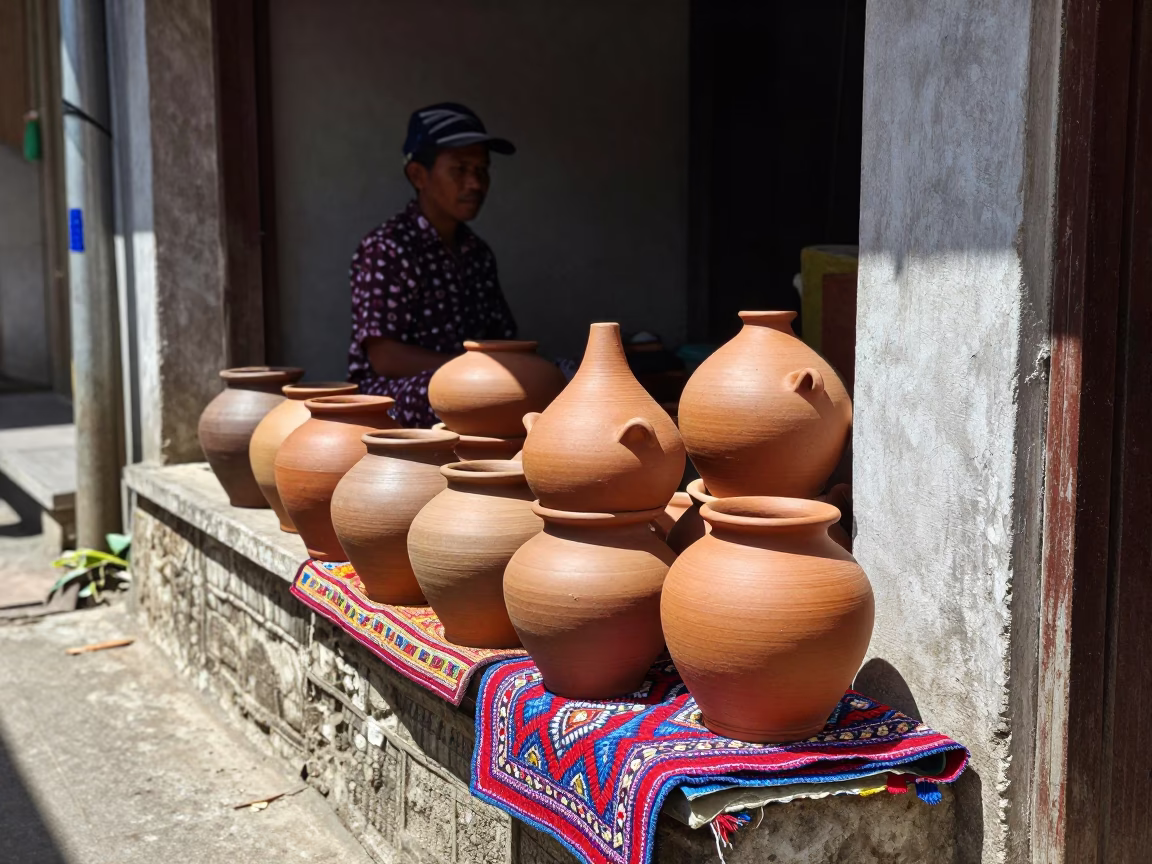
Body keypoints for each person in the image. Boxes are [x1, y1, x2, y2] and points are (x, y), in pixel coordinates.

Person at [348, 103, 518, 427]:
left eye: (482, 170)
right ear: (418, 175)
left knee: (555, 377)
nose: (475, 183)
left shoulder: (477, 253)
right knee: (452, 396)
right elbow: (385, 358)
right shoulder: (387, 248)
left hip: (474, 385)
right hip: (393, 398)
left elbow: (502, 340)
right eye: (460, 169)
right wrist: (471, 372)